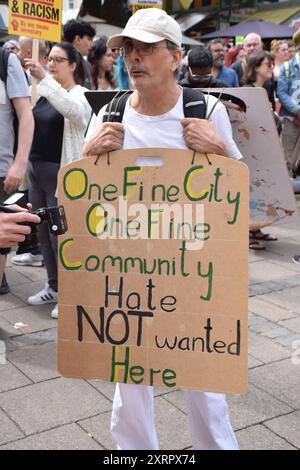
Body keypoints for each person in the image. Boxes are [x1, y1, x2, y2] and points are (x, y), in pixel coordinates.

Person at [84, 8, 242, 450]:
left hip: (194, 271)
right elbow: (79, 196)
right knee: (129, 377)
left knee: (204, 380)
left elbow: (237, 191)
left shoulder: (204, 109)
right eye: (129, 49)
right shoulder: (110, 114)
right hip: (126, 270)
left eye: (147, 48)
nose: (134, 57)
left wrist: (222, 154)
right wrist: (88, 155)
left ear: (175, 57)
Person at [24, 42, 91, 319]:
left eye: (59, 60)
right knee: (41, 231)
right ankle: (52, 286)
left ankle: (70, 292)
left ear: (73, 65)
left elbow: (73, 112)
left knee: (59, 235)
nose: (52, 64)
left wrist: (45, 79)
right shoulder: (41, 92)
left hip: (60, 172)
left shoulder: (80, 94)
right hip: (36, 171)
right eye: (49, 59)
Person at [0, 46, 34, 294]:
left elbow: (26, 115)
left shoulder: (5, 60)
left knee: (1, 244)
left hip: (2, 170)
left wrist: (20, 163)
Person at [242, 51, 279, 250]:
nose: (271, 68)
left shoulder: (266, 88)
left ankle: (257, 229)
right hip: (252, 149)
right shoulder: (247, 90)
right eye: (267, 64)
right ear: (256, 67)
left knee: (262, 190)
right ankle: (247, 232)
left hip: (264, 149)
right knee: (250, 192)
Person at [277, 29, 300, 177]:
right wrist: (297, 110)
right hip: (291, 120)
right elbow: (282, 93)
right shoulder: (286, 67)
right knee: (289, 155)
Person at [63, 19, 96, 89]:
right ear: (77, 39)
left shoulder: (88, 65)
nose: (92, 44)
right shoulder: (60, 64)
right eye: (89, 39)